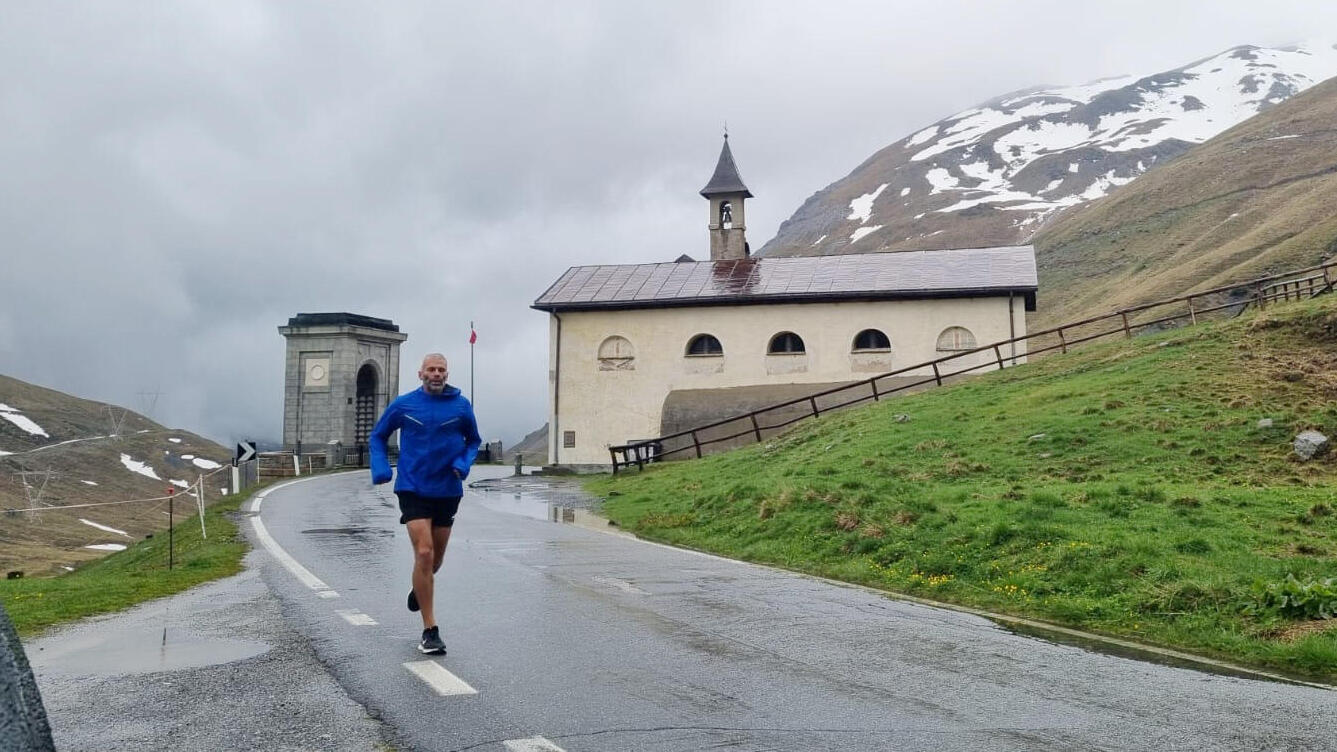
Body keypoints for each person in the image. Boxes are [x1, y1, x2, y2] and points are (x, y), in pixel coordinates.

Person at [370, 353, 481, 655]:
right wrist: (380, 467)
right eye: (431, 369)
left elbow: (474, 440)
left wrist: (464, 463)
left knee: (434, 562)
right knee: (423, 551)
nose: (436, 374)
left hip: (447, 488)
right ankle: (430, 631)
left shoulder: (461, 406)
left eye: (441, 370)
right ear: (421, 374)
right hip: (413, 486)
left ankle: (420, 586)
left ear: (447, 374)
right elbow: (378, 436)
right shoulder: (404, 404)